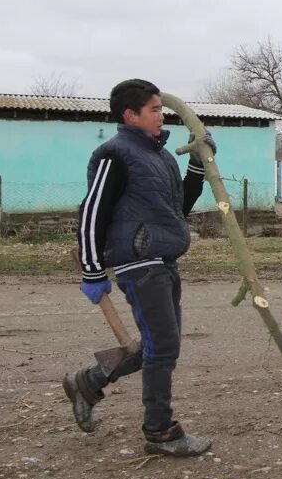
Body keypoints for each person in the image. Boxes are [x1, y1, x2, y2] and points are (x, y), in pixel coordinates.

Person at [62, 79, 216, 457]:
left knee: (159, 346)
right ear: (130, 115)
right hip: (139, 262)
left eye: (162, 108)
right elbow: (92, 212)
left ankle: (90, 381)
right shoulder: (114, 153)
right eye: (154, 109)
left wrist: (196, 166)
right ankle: (160, 431)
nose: (162, 115)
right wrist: (93, 268)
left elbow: (178, 209)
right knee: (163, 347)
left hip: (165, 260)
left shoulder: (161, 157)